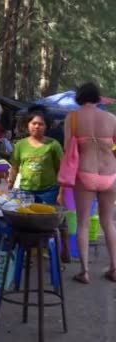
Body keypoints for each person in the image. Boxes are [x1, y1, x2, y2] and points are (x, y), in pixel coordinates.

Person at [66, 82, 116, 283]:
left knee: (83, 223)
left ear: (79, 97)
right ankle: (114, 268)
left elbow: (68, 149)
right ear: (98, 97)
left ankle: (84, 271)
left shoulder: (73, 118)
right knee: (108, 222)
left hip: (84, 173)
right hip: (110, 174)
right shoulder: (112, 118)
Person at [8, 105, 64, 204]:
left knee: (45, 217)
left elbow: (62, 170)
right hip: (25, 191)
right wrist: (10, 186)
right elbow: (14, 168)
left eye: (41, 124)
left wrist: (61, 193)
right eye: (33, 123)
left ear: (46, 126)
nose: (37, 126)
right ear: (27, 125)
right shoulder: (20, 145)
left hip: (49, 193)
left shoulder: (53, 145)